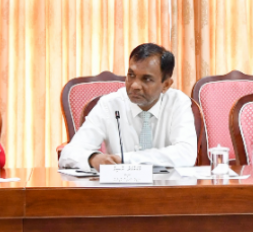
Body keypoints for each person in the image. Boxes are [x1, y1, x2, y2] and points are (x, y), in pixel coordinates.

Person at [58, 43, 197, 170]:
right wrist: (93, 159)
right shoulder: (109, 105)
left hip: (168, 187)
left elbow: (186, 153)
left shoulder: (177, 103)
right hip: (121, 188)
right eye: (131, 75)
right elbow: (68, 154)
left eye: (147, 79)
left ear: (166, 85)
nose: (134, 85)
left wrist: (125, 159)